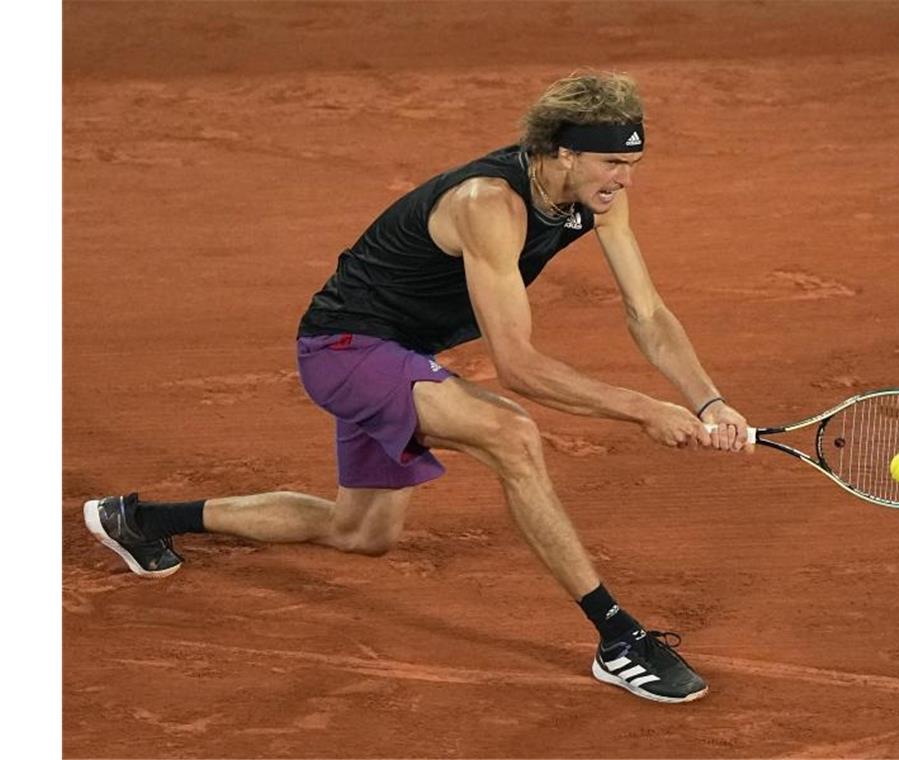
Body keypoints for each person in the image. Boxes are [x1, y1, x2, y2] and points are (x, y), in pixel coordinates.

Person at [84, 72, 752, 704]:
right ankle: (617, 638)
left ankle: (141, 521)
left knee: (359, 531)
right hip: (346, 351)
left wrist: (707, 399)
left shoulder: (593, 197)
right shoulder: (488, 204)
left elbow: (648, 313)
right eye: (611, 163)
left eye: (632, 163)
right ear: (559, 152)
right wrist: (642, 409)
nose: (625, 178)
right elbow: (517, 366)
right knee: (511, 435)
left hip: (394, 355)